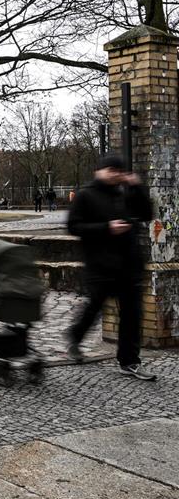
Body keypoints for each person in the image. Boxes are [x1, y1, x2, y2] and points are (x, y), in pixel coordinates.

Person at [66, 153, 156, 381]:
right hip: (100, 264)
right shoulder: (86, 195)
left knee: (132, 314)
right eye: (111, 170)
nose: (116, 175)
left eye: (119, 171)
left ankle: (129, 361)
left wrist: (136, 187)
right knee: (95, 306)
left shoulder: (124, 193)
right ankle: (75, 336)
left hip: (129, 264)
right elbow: (74, 227)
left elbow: (146, 214)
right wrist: (107, 227)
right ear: (100, 171)